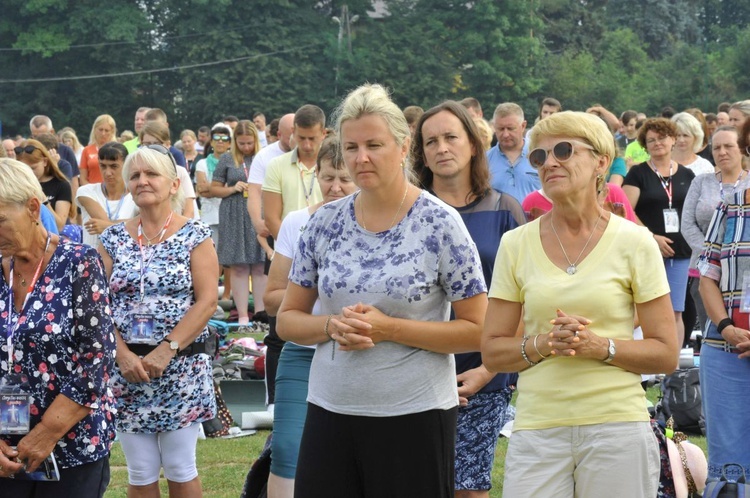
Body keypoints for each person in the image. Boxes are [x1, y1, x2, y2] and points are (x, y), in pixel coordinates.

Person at [277, 84, 487, 498]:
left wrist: (389, 329)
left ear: (404, 145)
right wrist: (332, 326)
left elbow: (477, 329)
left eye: (374, 144)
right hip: (329, 410)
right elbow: (287, 320)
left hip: (415, 414)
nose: (362, 158)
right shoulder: (324, 223)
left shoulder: (439, 223)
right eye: (351, 147)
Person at [481, 111, 678, 497]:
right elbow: (492, 350)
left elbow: (666, 353)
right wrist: (543, 344)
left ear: (601, 162)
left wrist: (599, 347)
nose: (549, 162)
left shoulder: (636, 242)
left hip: (617, 425)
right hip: (538, 426)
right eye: (538, 157)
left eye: (564, 151)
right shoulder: (516, 244)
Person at [411, 100, 525, 498]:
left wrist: (488, 371)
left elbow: (526, 300)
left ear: (474, 144)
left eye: (450, 138)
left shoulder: (505, 210)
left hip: (481, 372)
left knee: (468, 490)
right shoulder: (407, 212)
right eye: (431, 141)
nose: (441, 148)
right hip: (413, 370)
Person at [99, 146, 218, 497]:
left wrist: (167, 349)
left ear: (173, 184)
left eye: (151, 174)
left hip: (179, 368)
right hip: (127, 372)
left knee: (181, 467)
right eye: (134, 176)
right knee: (140, 471)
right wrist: (120, 354)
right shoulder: (112, 238)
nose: (142, 181)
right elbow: (96, 304)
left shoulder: (195, 235)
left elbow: (208, 300)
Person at [0, 158, 116, 496]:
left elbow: (97, 361)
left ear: (34, 208)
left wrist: (46, 433)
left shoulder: (79, 263)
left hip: (72, 446)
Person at [263, 137, 358, 498]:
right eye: (328, 177)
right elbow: (272, 300)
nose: (335, 187)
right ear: (314, 175)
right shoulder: (297, 222)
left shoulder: (375, 224)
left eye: (344, 179)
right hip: (303, 348)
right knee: (287, 448)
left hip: (357, 351)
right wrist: (309, 291)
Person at [624, 118, 695, 350]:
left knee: (675, 310)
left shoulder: (688, 175)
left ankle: (671, 368)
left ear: (673, 139)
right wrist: (651, 236)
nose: (657, 144)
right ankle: (644, 362)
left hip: (680, 252)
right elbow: (625, 211)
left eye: (662, 138)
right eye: (650, 140)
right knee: (642, 307)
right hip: (646, 249)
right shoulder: (638, 174)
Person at [697, 175, 750, 484]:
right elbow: (707, 275)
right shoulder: (731, 206)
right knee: (730, 468)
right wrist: (727, 327)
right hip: (725, 349)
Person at [682, 126, 750, 335]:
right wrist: (713, 254)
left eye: (728, 146)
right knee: (711, 330)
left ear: (741, 149)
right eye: (716, 147)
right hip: (704, 272)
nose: (722, 152)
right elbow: (687, 224)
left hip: (742, 274)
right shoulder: (701, 181)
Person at [209, 120, 268, 329]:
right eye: (242, 143)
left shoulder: (264, 157)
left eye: (249, 143)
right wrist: (233, 188)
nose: (245, 147)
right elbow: (213, 189)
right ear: (235, 142)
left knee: (260, 265)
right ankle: (243, 315)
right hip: (233, 213)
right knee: (239, 266)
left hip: (258, 211)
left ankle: (261, 312)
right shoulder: (227, 158)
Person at [76, 142, 137, 248]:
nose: (108, 172)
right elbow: (141, 224)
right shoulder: (86, 191)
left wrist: (106, 225)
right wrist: (133, 223)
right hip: (92, 260)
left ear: (126, 165)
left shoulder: (136, 195)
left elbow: (146, 224)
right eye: (103, 166)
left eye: (114, 166)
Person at [139, 121, 197, 219]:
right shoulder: (137, 174)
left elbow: (189, 211)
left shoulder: (179, 172)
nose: (152, 148)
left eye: (157, 143)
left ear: (167, 145)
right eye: (147, 144)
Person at [487, 102, 540, 204]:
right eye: (501, 129)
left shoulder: (540, 156)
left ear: (523, 126)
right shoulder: (484, 161)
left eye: (511, 128)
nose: (506, 134)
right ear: (494, 127)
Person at [15, 139, 72, 232]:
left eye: (33, 168)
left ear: (45, 162)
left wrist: (44, 200)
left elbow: (59, 226)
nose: (29, 173)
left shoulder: (61, 185)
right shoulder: (17, 185)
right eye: (24, 169)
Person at [80, 114, 117, 185]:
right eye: (100, 130)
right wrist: (92, 191)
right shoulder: (86, 150)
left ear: (112, 132)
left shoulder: (117, 150)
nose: (103, 133)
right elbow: (83, 178)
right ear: (95, 129)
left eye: (107, 130)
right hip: (91, 192)